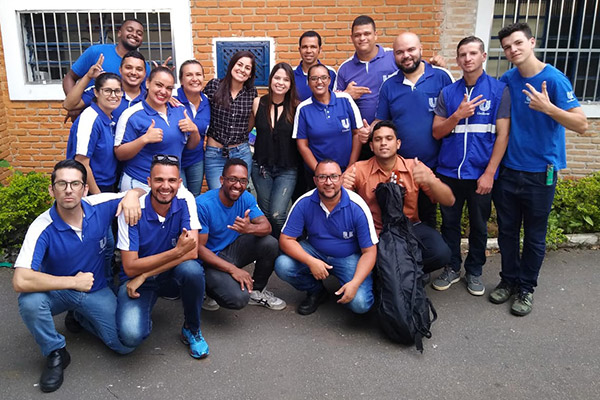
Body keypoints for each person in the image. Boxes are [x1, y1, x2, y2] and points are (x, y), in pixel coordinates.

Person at [12, 159, 142, 393]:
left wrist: (132, 195)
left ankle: (81, 317)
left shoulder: (99, 204)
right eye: (62, 184)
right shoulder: (41, 226)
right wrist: (73, 282)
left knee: (125, 345)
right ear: (52, 190)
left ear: (85, 188)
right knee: (30, 301)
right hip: (59, 291)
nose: (68, 190)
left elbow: (143, 190)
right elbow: (20, 279)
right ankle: (55, 352)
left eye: (75, 184)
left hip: (95, 290)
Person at [490, 23, 587, 316]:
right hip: (509, 170)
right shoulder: (508, 79)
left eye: (518, 43)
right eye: (507, 47)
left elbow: (581, 124)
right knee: (507, 232)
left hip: (541, 173)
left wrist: (549, 109)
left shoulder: (554, 80)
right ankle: (508, 280)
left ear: (532, 42)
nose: (513, 50)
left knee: (534, 236)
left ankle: (526, 288)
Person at [431, 36, 510, 296]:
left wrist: (490, 173)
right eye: (463, 54)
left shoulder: (499, 91)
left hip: (480, 175)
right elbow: (437, 132)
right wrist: (457, 115)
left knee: (478, 225)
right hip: (449, 172)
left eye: (473, 53)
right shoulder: (448, 93)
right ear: (457, 60)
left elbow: (503, 136)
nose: (468, 58)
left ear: (483, 56)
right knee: (449, 224)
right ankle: (452, 267)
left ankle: (474, 270)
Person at [116, 155, 209, 358]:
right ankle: (142, 315)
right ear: (149, 182)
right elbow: (130, 267)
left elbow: (192, 251)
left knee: (192, 270)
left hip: (166, 275)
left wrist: (145, 273)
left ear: (179, 183)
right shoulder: (132, 209)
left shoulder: (185, 199)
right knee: (131, 335)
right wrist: (176, 252)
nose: (165, 186)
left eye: (171, 180)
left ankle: (192, 329)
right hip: (137, 282)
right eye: (159, 180)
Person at [343, 120, 454, 274]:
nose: (383, 143)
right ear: (371, 146)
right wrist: (342, 186)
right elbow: (332, 199)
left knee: (440, 253)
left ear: (398, 144)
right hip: (376, 231)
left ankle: (409, 272)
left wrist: (430, 181)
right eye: (378, 139)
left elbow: (449, 200)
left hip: (410, 227)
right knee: (371, 260)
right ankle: (394, 274)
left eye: (389, 138)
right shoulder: (359, 169)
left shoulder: (414, 166)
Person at [275, 159, 378, 316]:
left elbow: (370, 252)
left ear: (341, 179)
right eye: (322, 177)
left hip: (348, 257)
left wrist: (355, 283)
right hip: (315, 251)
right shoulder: (304, 202)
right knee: (283, 265)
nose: (328, 182)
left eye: (334, 176)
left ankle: (358, 286)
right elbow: (286, 240)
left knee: (360, 304)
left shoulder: (357, 206)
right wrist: (311, 261)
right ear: (315, 180)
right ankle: (316, 291)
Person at [374, 31, 454, 227]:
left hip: (435, 165)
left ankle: (432, 247)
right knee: (400, 218)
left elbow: (453, 117)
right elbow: (381, 121)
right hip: (401, 169)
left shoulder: (442, 77)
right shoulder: (389, 85)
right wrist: (366, 130)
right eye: (399, 52)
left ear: (421, 49)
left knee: (431, 218)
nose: (406, 55)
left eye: (411, 49)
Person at [196, 158, 286, 311]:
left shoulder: (246, 198)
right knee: (238, 299)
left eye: (243, 181)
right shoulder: (203, 204)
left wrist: (249, 228)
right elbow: (198, 249)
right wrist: (232, 270)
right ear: (222, 180)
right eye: (233, 179)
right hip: (210, 260)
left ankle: (257, 291)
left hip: (231, 250)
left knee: (270, 243)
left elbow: (267, 227)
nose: (238, 185)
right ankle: (207, 290)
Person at [114, 66, 201, 191]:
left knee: (189, 202)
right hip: (140, 182)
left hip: (170, 183)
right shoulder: (132, 114)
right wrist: (144, 139)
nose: (163, 91)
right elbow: (119, 154)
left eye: (169, 88)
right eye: (159, 85)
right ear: (148, 83)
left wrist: (194, 130)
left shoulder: (179, 110)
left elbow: (190, 146)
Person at [293, 64, 368, 187]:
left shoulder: (345, 99)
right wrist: (320, 173)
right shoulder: (303, 108)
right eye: (314, 78)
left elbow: (357, 134)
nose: (319, 82)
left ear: (329, 80)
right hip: (317, 175)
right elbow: (302, 145)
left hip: (346, 172)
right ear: (308, 82)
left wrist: (350, 168)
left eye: (323, 77)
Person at [251, 63, 300, 239]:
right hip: (261, 168)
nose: (280, 82)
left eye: (286, 79)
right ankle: (268, 249)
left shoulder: (296, 107)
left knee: (277, 215)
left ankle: (286, 245)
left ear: (291, 84)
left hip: (287, 169)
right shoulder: (258, 103)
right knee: (264, 215)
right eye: (277, 78)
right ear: (270, 79)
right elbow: (248, 131)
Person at [203, 51, 258, 189]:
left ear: (250, 74)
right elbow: (197, 105)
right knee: (217, 194)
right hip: (215, 153)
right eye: (239, 64)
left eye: (247, 68)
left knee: (237, 194)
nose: (242, 70)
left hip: (241, 152)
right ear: (232, 65)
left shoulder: (251, 93)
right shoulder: (214, 85)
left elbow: (250, 121)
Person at [334, 15, 397, 125]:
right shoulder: (344, 68)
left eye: (367, 34)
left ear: (375, 35)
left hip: (394, 130)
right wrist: (346, 95)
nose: (362, 38)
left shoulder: (394, 57)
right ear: (351, 38)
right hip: (360, 132)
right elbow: (333, 105)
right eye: (357, 35)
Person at [62, 18, 146, 95]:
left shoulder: (143, 67)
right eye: (130, 30)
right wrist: (72, 102)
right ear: (119, 33)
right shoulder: (96, 51)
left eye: (139, 33)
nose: (134, 35)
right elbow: (70, 77)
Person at [63, 50, 147, 122]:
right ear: (120, 70)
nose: (133, 72)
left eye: (139, 69)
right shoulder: (104, 91)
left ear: (145, 73)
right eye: (128, 67)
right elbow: (68, 105)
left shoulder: (148, 98)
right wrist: (88, 76)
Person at [174, 60, 211, 197]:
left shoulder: (208, 102)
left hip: (196, 160)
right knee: (180, 197)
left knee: (195, 196)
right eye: (189, 75)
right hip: (175, 161)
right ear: (181, 80)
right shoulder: (172, 100)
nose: (195, 79)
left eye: (198, 74)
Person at [294, 31, 336, 101]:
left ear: (320, 49)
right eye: (304, 47)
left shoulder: (330, 73)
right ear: (299, 50)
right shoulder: (291, 74)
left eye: (313, 47)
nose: (308, 51)